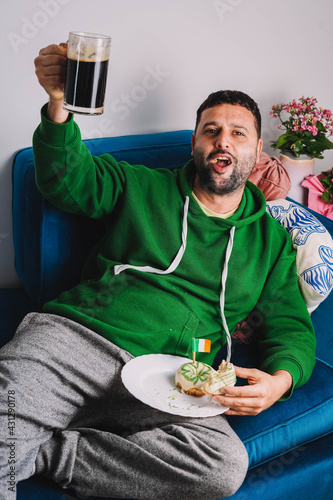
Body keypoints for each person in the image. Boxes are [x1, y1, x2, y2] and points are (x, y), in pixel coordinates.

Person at [0, 43, 316, 500]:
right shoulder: (141, 186)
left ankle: (49, 453)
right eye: (211, 131)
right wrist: (57, 107)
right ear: (195, 144)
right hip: (74, 342)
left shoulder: (270, 244)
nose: (222, 140)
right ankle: (23, 447)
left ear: (257, 151)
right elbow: (67, 181)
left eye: (237, 133)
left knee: (222, 467)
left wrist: (280, 380)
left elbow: (291, 328)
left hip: (174, 378)